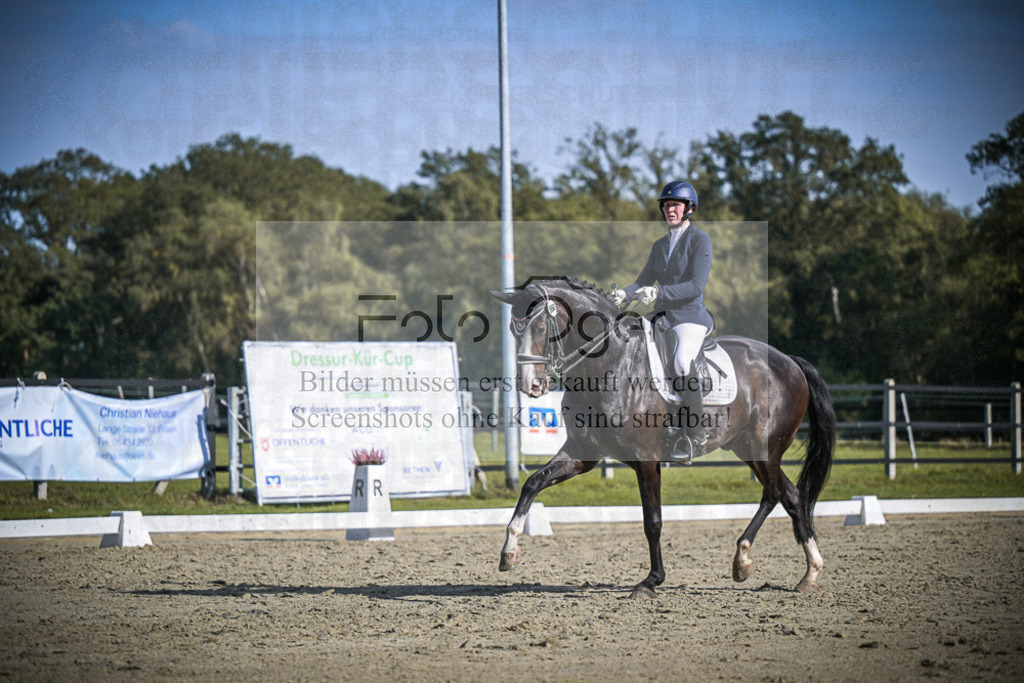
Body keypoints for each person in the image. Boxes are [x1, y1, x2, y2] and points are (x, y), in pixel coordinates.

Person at [610, 180, 713, 463]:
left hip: (689, 316)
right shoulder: (660, 245)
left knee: (682, 362)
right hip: (662, 317)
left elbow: (696, 285)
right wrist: (624, 294)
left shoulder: (700, 240)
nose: (670, 209)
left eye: (675, 205)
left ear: (689, 208)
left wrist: (659, 292)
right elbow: (643, 280)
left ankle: (695, 434)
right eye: (666, 205)